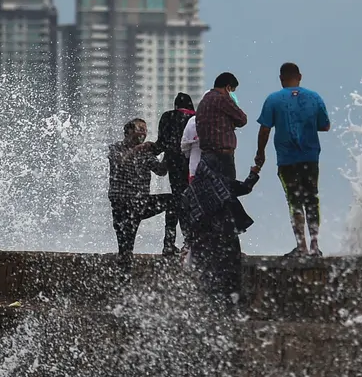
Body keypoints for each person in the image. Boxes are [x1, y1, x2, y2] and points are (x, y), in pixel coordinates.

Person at [255, 62, 332, 258]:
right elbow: (325, 126)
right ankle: (315, 246)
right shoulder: (314, 97)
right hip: (310, 157)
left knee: (294, 201)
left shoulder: (273, 99)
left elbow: (265, 129)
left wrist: (260, 153)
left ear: (281, 79)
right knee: (311, 199)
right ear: (300, 76)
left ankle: (301, 246)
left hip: (287, 160)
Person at [183, 160, 261, 311]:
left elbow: (189, 224)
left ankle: (210, 308)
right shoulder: (221, 183)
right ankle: (232, 306)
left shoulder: (189, 193)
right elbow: (245, 188)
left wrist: (187, 246)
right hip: (226, 236)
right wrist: (254, 173)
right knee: (231, 273)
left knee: (209, 276)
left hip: (204, 243)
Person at [108, 118, 171, 272]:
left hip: (140, 203)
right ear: (129, 131)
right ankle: (124, 276)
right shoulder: (116, 148)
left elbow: (161, 170)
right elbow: (120, 162)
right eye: (140, 128)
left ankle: (169, 243)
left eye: (145, 129)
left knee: (173, 200)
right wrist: (139, 149)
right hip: (122, 203)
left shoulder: (145, 152)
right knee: (125, 244)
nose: (143, 132)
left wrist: (169, 150)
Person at [154, 93, 195, 256]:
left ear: (175, 105)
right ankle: (190, 242)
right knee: (189, 204)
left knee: (176, 201)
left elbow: (162, 143)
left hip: (174, 166)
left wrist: (150, 153)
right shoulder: (195, 119)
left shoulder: (168, 116)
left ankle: (169, 243)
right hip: (192, 166)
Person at [195, 72, 247, 182]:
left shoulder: (204, 101)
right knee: (227, 192)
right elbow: (242, 119)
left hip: (206, 156)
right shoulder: (222, 99)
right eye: (232, 91)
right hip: (223, 156)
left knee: (212, 192)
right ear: (228, 87)